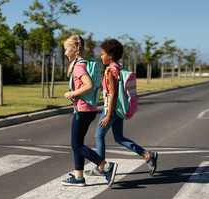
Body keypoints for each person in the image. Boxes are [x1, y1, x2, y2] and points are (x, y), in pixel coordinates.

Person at [85, 39, 158, 177]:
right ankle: (148, 155)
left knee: (99, 135)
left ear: (110, 55)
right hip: (118, 110)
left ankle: (102, 167)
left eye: (102, 54)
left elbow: (112, 95)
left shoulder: (111, 71)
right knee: (119, 138)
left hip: (111, 109)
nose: (101, 56)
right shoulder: (118, 68)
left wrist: (107, 115)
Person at [61, 34, 117, 188]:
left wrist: (72, 93)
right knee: (78, 143)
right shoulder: (85, 63)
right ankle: (79, 177)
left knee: (76, 145)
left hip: (83, 110)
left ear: (74, 48)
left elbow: (90, 85)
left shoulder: (79, 66)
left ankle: (105, 166)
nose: (65, 53)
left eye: (66, 49)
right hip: (88, 109)